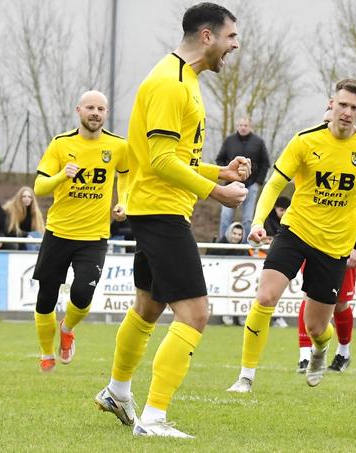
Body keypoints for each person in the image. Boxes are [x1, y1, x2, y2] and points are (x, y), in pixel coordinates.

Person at [93, 3, 247, 439]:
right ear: (206, 35)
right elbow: (160, 160)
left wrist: (219, 172)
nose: (234, 46)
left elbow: (177, 158)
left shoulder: (186, 79)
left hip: (157, 207)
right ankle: (155, 418)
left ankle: (117, 391)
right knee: (196, 314)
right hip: (161, 211)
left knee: (148, 307)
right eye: (231, 37)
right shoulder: (170, 83)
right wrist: (216, 193)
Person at [226, 77, 356, 394]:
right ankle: (245, 377)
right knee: (266, 297)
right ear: (331, 104)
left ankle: (322, 348)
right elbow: (273, 185)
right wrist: (258, 221)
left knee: (316, 327)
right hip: (295, 232)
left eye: (355, 107)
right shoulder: (304, 141)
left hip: (335, 246)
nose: (347, 112)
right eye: (342, 105)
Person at [31, 90, 130, 373]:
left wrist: (123, 202)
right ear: (78, 110)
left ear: (107, 113)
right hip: (59, 232)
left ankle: (68, 328)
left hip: (95, 236)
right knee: (46, 297)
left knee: (83, 293)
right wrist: (63, 175)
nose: (95, 113)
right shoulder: (61, 144)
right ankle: (45, 352)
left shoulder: (118, 146)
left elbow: (124, 175)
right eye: (90, 107)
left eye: (101, 108)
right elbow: (39, 188)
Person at [296, 194, 356, 373]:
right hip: (313, 239)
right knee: (308, 295)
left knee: (339, 303)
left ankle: (343, 353)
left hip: (343, 244)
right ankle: (305, 355)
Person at [216, 116, 270, 239]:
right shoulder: (229, 141)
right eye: (240, 125)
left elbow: (265, 163)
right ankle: (221, 245)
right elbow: (219, 159)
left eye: (245, 125)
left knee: (247, 219)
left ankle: (247, 248)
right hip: (230, 184)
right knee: (226, 216)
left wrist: (258, 182)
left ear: (250, 127)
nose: (243, 127)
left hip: (251, 186)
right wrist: (225, 173)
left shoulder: (259, 142)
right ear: (237, 126)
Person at [3, 186, 45, 251]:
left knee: (38, 235)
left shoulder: (35, 212)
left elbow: (39, 230)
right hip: (15, 238)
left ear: (32, 199)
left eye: (29, 197)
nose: (27, 199)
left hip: (30, 238)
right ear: (19, 197)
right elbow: (11, 230)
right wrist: (26, 235)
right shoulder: (11, 209)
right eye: (24, 196)